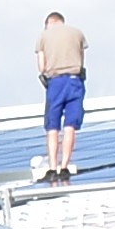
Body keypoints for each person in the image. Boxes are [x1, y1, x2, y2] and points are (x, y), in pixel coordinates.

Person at [36, 11, 88, 180]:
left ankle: (52, 168)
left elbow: (42, 67)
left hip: (56, 83)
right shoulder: (77, 33)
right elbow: (81, 60)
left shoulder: (43, 37)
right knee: (70, 125)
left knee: (52, 127)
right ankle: (64, 167)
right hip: (75, 81)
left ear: (49, 23)